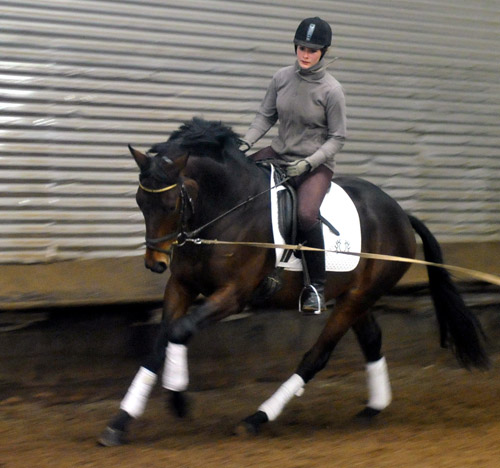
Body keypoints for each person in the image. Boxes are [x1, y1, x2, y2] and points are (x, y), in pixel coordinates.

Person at [241, 16, 347, 314]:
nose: (305, 53)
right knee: (239, 181)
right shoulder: (281, 78)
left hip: (314, 164)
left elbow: (338, 138)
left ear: (323, 52)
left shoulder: (332, 90)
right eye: (301, 47)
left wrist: (309, 163)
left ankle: (316, 287)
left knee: (305, 214)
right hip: (279, 152)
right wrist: (245, 143)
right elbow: (265, 116)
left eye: (312, 50)